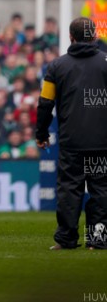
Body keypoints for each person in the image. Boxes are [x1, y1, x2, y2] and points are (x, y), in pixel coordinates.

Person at [36, 17, 107, 250]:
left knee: (69, 189)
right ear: (94, 36)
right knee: (101, 190)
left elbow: (45, 103)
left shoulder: (56, 66)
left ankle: (66, 239)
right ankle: (98, 240)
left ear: (71, 37)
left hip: (71, 142)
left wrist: (41, 133)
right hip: (102, 141)